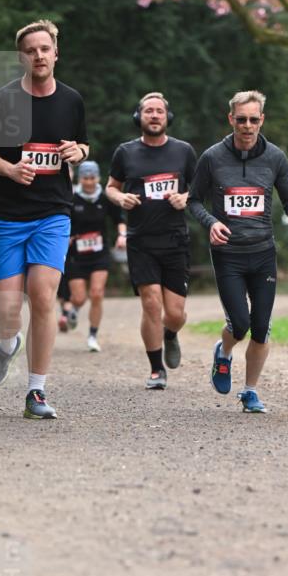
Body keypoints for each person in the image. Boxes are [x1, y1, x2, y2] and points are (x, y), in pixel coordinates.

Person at [0, 19, 89, 420]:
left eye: (44, 48)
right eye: (30, 50)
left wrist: (79, 152)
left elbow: (83, 143)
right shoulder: (4, 100)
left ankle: (36, 391)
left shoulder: (71, 100)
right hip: (5, 214)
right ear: (21, 57)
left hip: (52, 212)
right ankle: (7, 345)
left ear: (56, 53)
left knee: (42, 295)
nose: (38, 55)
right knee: (7, 309)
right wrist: (9, 169)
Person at [188, 90, 288, 413]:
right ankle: (224, 352)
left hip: (263, 253)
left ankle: (250, 391)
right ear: (231, 119)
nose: (247, 126)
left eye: (253, 120)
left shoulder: (275, 157)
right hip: (228, 253)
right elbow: (193, 200)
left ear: (262, 120)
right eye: (241, 119)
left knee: (261, 327)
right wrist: (211, 222)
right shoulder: (212, 157)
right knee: (239, 324)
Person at [105, 92, 197, 389]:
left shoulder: (183, 151)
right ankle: (156, 369)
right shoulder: (125, 152)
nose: (154, 115)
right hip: (140, 240)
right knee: (151, 303)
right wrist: (120, 198)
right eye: (148, 111)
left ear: (167, 117)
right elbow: (111, 187)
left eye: (159, 111)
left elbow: (201, 188)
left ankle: (170, 334)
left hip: (175, 239)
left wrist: (185, 197)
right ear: (139, 116)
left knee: (175, 314)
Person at [64, 160, 126, 351]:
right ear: (80, 179)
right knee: (79, 297)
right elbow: (62, 221)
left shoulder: (105, 197)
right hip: (76, 255)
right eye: (85, 178)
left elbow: (119, 219)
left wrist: (122, 235)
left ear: (98, 178)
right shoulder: (71, 198)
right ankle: (73, 309)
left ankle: (92, 335)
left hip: (100, 253)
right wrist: (65, 237)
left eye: (92, 178)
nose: (89, 182)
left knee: (97, 294)